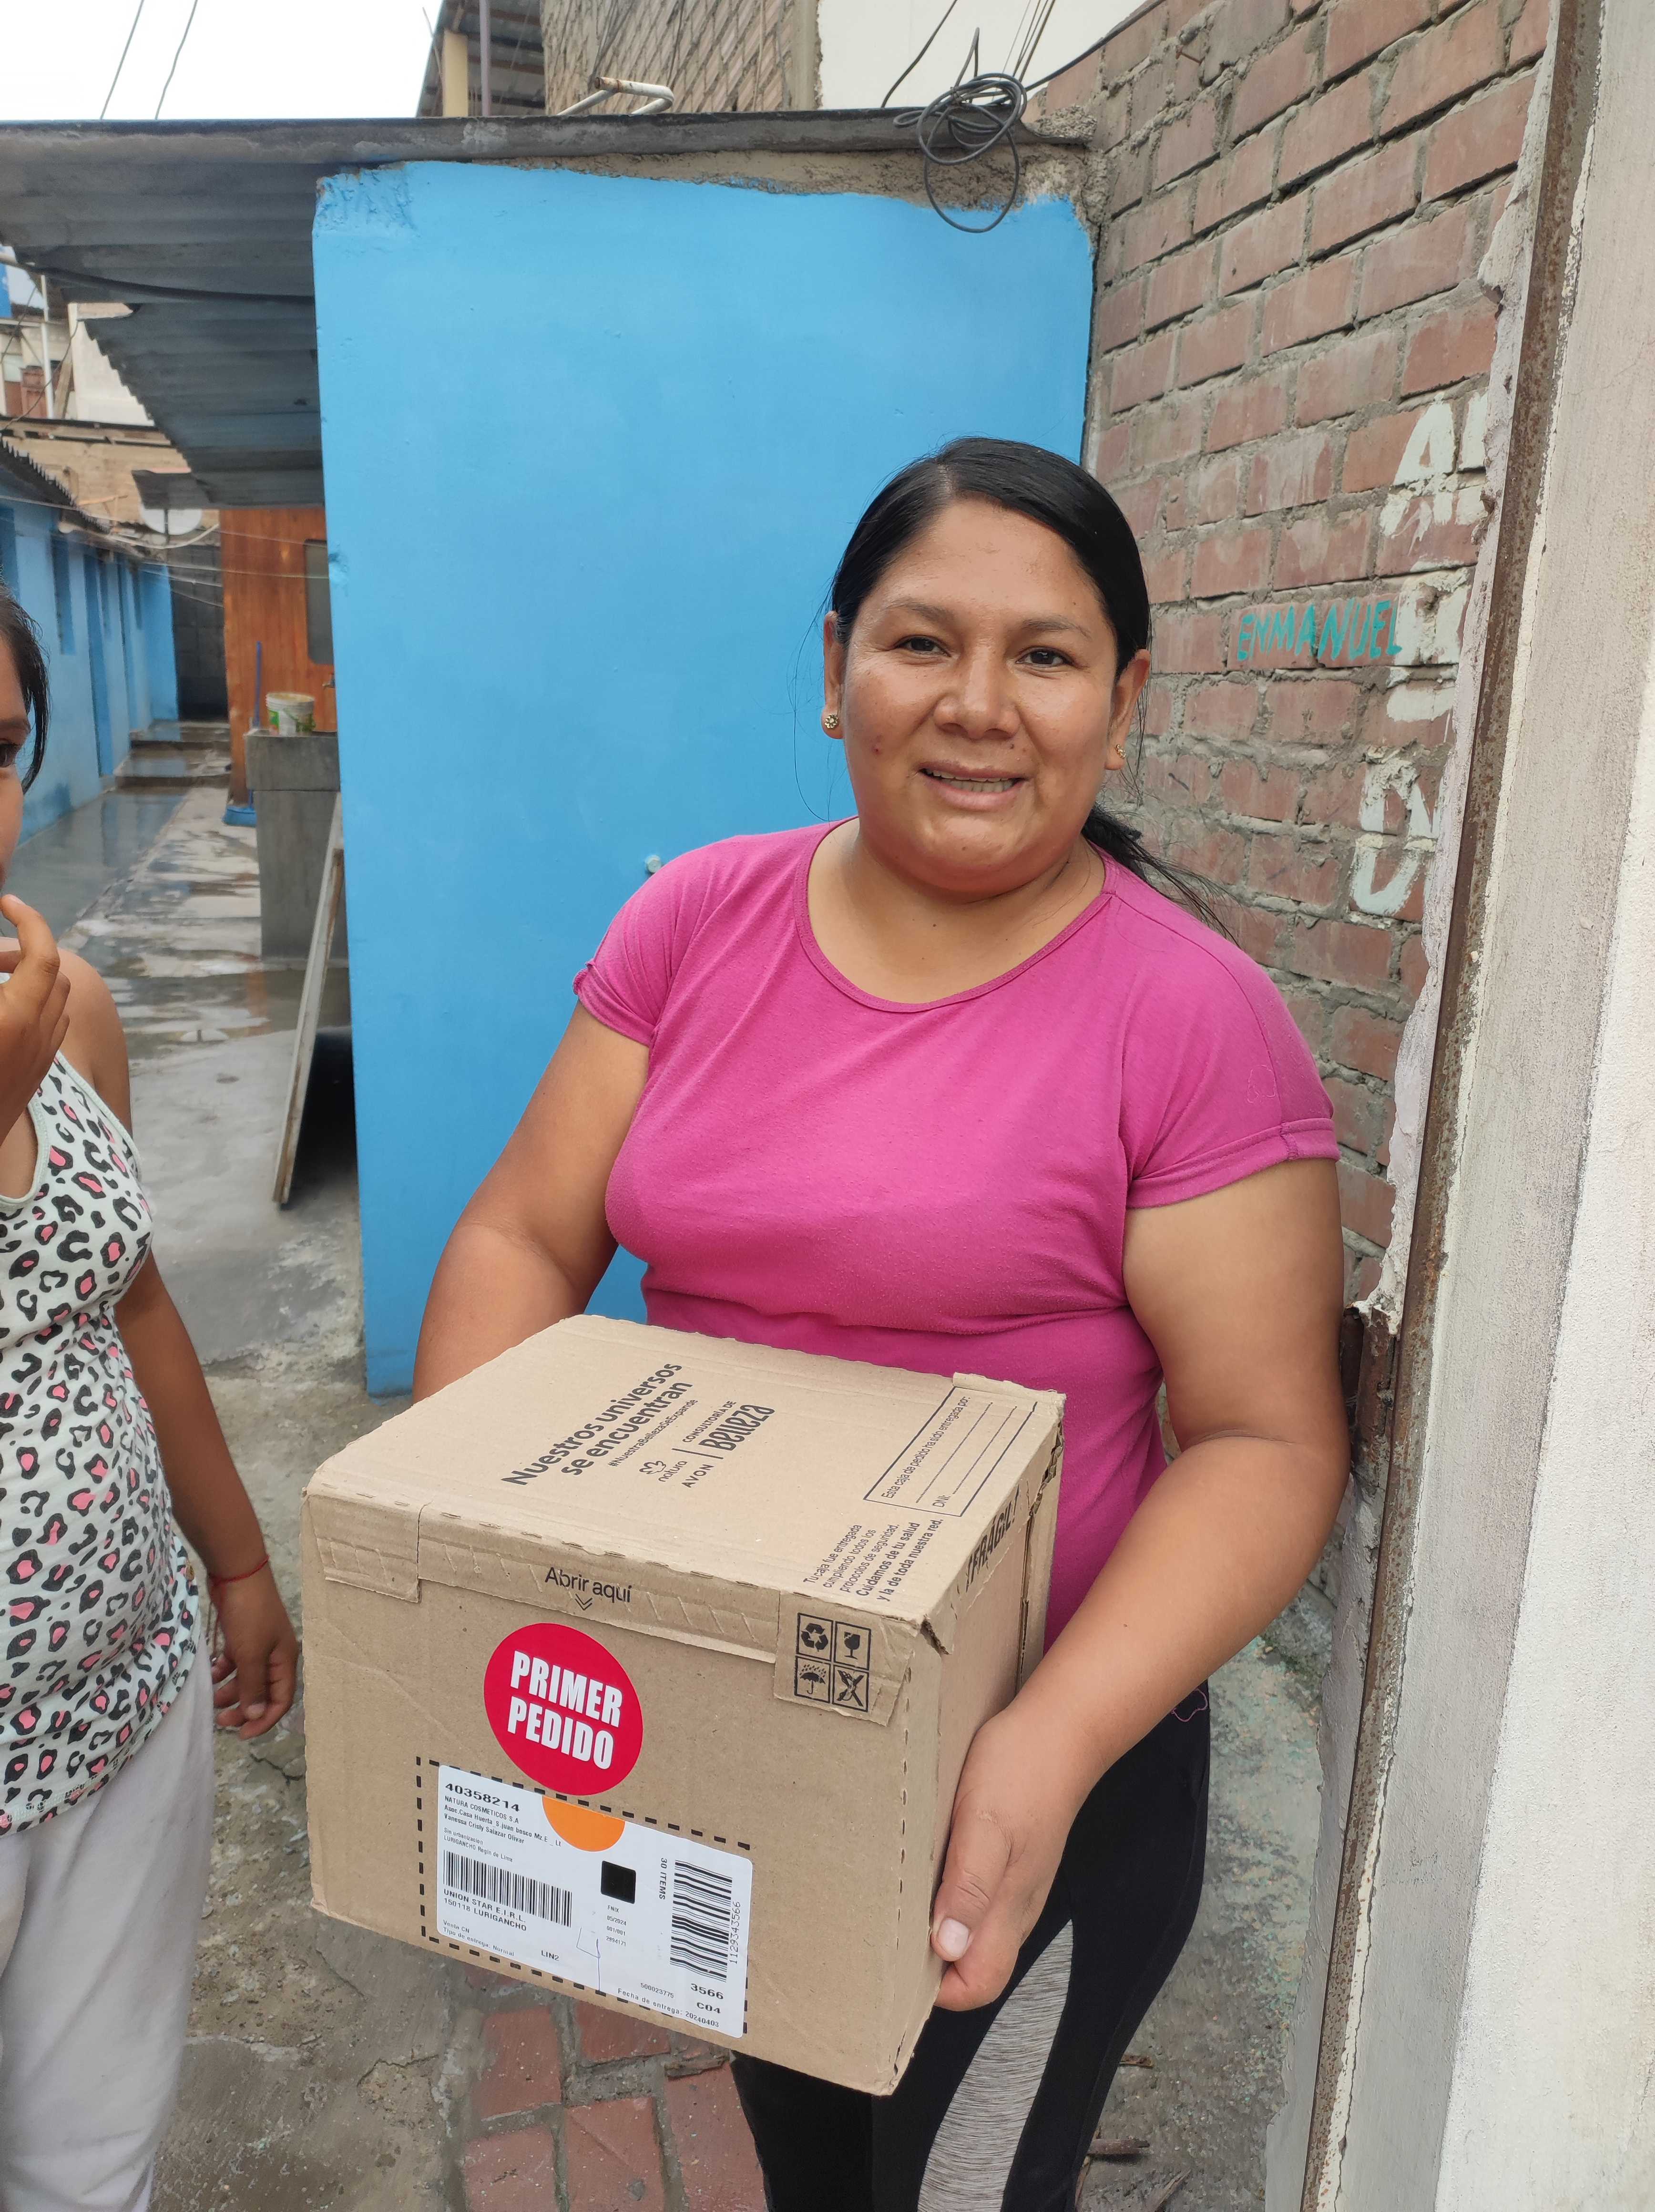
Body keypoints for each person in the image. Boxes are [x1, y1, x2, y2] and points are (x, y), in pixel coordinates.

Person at [415, 438, 1349, 2211]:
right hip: (741, 1724)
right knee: (813, 2160)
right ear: (840, 663)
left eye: (1046, 656)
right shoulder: (696, 924)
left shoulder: (1192, 1022)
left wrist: (1048, 1741)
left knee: (963, 2188)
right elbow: (525, 1234)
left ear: (1124, 703)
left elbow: (1266, 1439)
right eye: (923, 643)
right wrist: (475, 1556)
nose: (979, 706)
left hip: (1043, 1765)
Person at [0, 586, 297, 2211]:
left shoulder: (69, 1014)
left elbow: (130, 1297)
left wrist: (235, 1561)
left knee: (89, 2163)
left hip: (121, 1712)